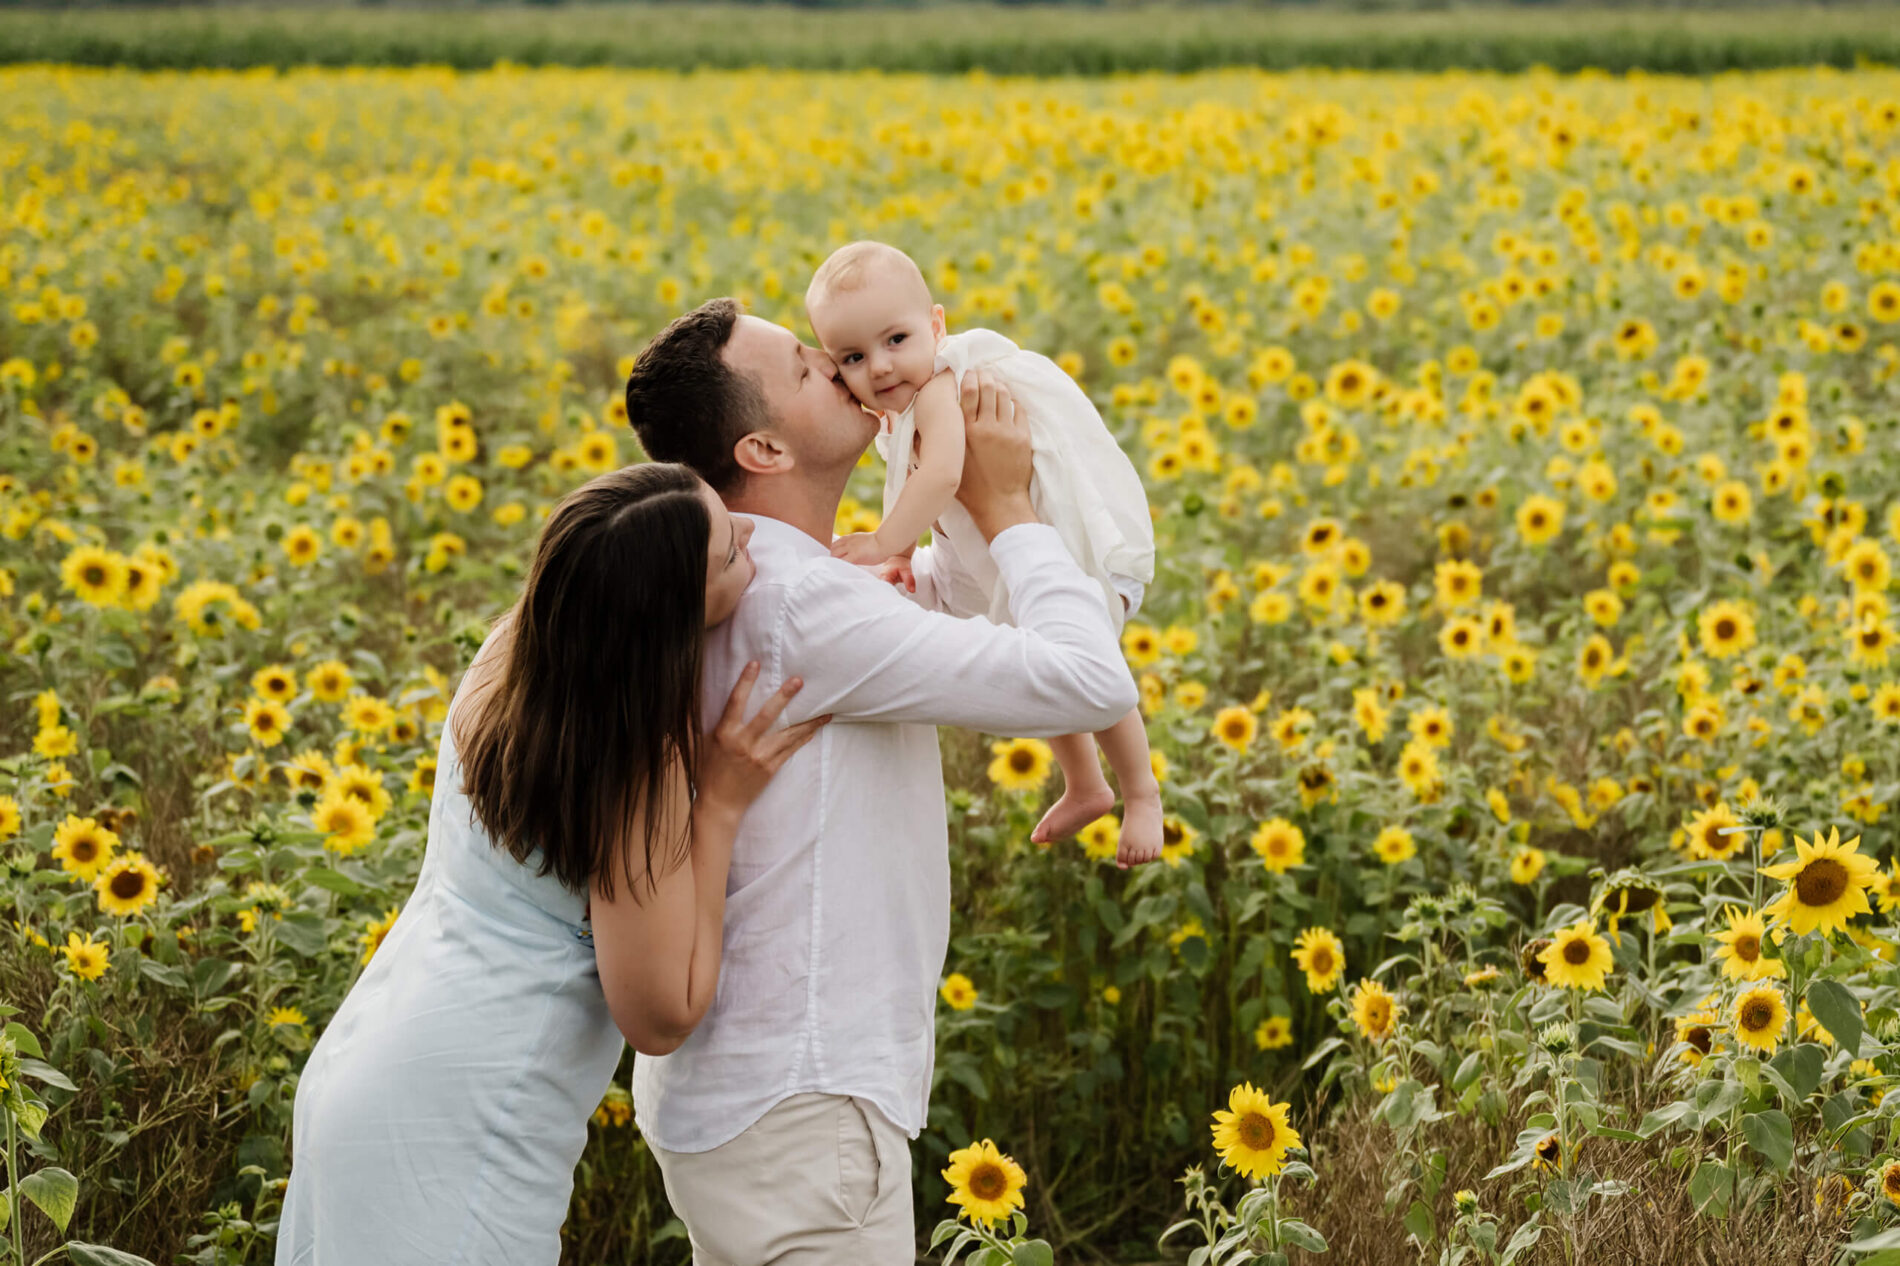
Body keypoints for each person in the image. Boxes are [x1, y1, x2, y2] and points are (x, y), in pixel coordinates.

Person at [622, 297, 1140, 1263]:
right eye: (810, 368)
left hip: (750, 1102)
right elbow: (1090, 676)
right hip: (804, 1108)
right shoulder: (801, 602)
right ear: (766, 452)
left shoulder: (766, 577)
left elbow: (932, 620)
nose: (843, 364)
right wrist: (1010, 508)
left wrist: (953, 531)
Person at [276, 463, 828, 1266]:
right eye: (726, 554)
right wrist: (721, 806)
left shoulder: (516, 659)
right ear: (666, 619)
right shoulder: (634, 765)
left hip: (373, 1060)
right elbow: (661, 1013)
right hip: (462, 1124)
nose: (748, 535)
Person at [806, 240, 1162, 868]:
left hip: (1064, 554)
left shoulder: (942, 384)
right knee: (1041, 666)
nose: (882, 368)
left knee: (1090, 667)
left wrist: (886, 540)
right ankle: (1085, 784)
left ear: (936, 326)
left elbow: (942, 475)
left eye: (896, 340)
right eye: (855, 357)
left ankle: (1142, 792)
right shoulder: (903, 405)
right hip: (1001, 558)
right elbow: (932, 498)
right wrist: (911, 553)